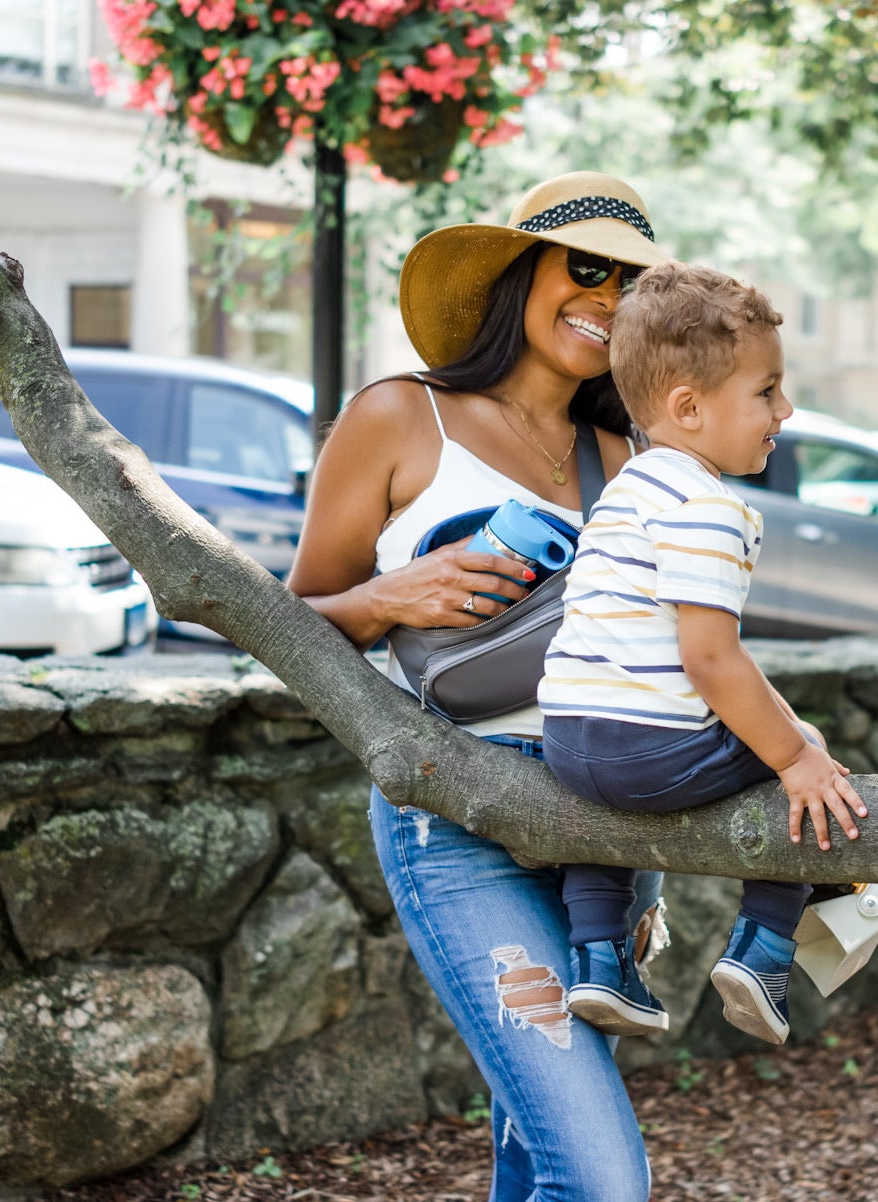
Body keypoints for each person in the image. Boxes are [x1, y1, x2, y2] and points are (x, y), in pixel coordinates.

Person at [287, 172, 667, 1202]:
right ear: (519, 273)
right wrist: (389, 595)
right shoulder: (402, 417)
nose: (607, 298)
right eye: (585, 267)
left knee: (534, 1150)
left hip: (612, 827)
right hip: (461, 814)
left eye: (631, 284)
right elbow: (287, 622)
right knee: (598, 1179)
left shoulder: (626, 452)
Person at [537, 261, 868, 1046]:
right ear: (688, 407)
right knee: (807, 764)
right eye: (766, 392)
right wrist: (796, 757)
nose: (784, 409)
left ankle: (598, 960)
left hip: (569, 743)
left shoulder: (625, 490)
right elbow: (711, 661)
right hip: (648, 750)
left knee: (602, 809)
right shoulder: (708, 507)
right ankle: (762, 949)